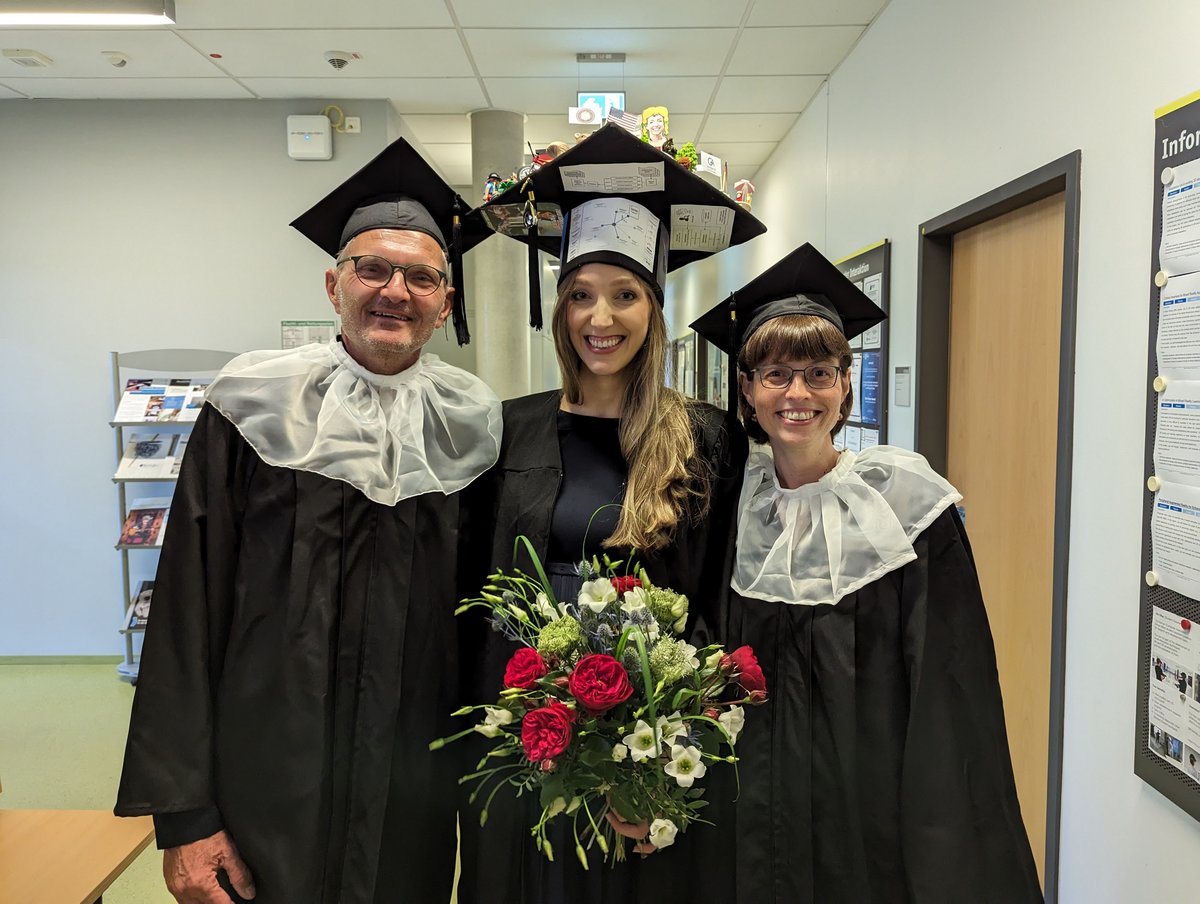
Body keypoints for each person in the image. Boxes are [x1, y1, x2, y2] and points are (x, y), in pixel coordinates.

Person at [114, 138, 503, 904]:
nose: (396, 290)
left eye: (422, 276)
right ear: (334, 285)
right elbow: (186, 612)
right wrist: (186, 818)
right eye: (373, 268)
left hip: (410, 789)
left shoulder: (473, 427)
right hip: (263, 785)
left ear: (445, 303)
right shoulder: (250, 408)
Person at [456, 123, 765, 904]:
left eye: (626, 295)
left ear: (653, 311)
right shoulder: (510, 427)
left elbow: (718, 598)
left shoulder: (701, 435)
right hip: (525, 713)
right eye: (582, 295)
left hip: (650, 723)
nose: (603, 318)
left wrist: (671, 741)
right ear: (560, 308)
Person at [691, 243, 1044, 903]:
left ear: (846, 383)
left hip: (867, 830)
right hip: (744, 824)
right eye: (775, 373)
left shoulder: (905, 509)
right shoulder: (723, 509)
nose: (798, 394)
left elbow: (950, 691)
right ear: (746, 388)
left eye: (819, 372)